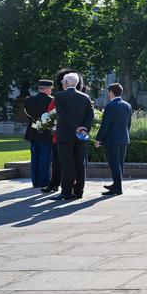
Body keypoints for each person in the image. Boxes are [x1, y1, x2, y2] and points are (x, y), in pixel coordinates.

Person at [53, 72, 94, 201]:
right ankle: (79, 191)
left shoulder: (59, 96)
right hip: (80, 136)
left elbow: (63, 116)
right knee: (79, 164)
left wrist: (75, 127)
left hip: (65, 136)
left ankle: (66, 191)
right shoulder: (85, 97)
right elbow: (90, 115)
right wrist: (84, 129)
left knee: (67, 164)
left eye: (62, 82)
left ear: (65, 82)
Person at [94, 82, 132, 196]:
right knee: (120, 162)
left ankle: (117, 187)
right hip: (123, 138)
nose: (108, 94)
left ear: (111, 92)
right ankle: (116, 184)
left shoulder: (110, 106)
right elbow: (128, 124)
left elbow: (105, 125)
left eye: (108, 92)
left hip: (112, 139)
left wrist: (98, 139)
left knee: (114, 163)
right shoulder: (127, 105)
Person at [23, 79, 55, 188]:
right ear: (46, 88)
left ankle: (35, 181)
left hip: (33, 130)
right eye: (50, 88)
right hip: (46, 131)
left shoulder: (29, 100)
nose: (51, 91)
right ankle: (43, 182)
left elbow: (28, 115)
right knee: (45, 157)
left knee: (34, 156)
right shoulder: (52, 100)